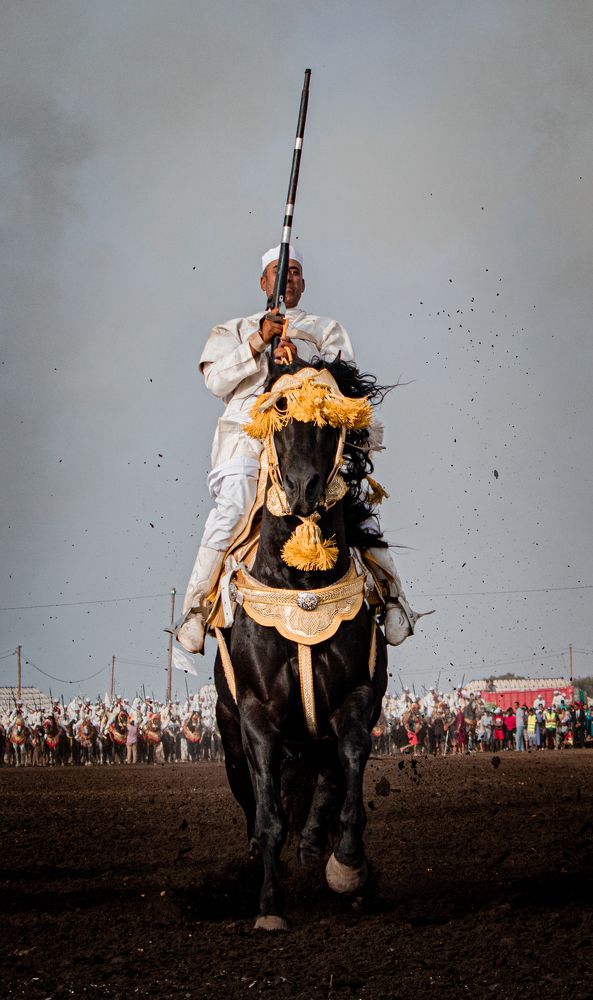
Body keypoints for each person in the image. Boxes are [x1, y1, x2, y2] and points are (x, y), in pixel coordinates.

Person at [175, 244, 419, 656]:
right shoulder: (232, 330)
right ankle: (196, 609)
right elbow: (216, 382)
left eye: (293, 272)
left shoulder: (326, 329)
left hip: (306, 442)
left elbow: (343, 382)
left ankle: (394, 599)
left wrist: (298, 362)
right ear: (263, 282)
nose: (286, 278)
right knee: (233, 506)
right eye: (278, 271)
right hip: (247, 440)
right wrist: (259, 341)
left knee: (349, 504)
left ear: (303, 282)